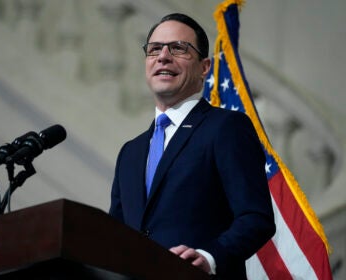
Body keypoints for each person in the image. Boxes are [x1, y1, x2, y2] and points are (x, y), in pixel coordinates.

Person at [109, 13, 276, 279]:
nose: (163, 56)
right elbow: (114, 238)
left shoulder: (226, 127)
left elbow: (256, 217)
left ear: (204, 67)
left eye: (178, 48)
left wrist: (210, 257)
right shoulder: (130, 152)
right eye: (154, 49)